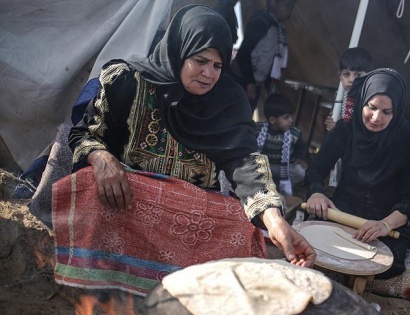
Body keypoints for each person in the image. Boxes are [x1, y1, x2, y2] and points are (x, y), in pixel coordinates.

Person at [67, 5, 315, 273]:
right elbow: (83, 134)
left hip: (189, 216)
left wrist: (275, 220)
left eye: (218, 65)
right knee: (89, 186)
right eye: (200, 61)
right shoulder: (127, 82)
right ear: (179, 50)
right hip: (129, 202)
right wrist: (101, 157)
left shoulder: (228, 102)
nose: (209, 74)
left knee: (240, 223)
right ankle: (104, 275)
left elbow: (244, 160)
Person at [303, 68, 410, 279]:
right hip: (344, 211)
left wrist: (385, 225)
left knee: (387, 262)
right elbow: (315, 169)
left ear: (397, 111)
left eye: (387, 112)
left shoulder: (408, 140)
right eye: (372, 107)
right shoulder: (346, 129)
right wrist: (316, 193)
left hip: (385, 221)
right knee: (309, 237)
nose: (377, 117)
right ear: (362, 101)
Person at [227, 0, 297, 112]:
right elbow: (244, 54)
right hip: (240, 81)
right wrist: (249, 83)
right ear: (274, 3)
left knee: (242, 119)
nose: (290, 10)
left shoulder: (277, 29)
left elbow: (269, 59)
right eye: (288, 5)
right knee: (233, 116)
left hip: (254, 83)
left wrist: (267, 84)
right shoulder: (261, 23)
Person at [256, 93, 307, 195]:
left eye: (290, 117)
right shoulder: (258, 129)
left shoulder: (294, 133)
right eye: (286, 118)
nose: (291, 120)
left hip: (283, 168)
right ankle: (264, 186)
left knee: (300, 171)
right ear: (272, 120)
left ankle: (282, 187)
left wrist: (300, 157)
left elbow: (301, 147)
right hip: (265, 166)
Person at [324, 47, 374, 131]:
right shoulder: (340, 95)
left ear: (368, 77)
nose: (351, 80)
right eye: (346, 75)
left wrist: (337, 128)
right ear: (340, 76)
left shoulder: (368, 100)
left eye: (358, 75)